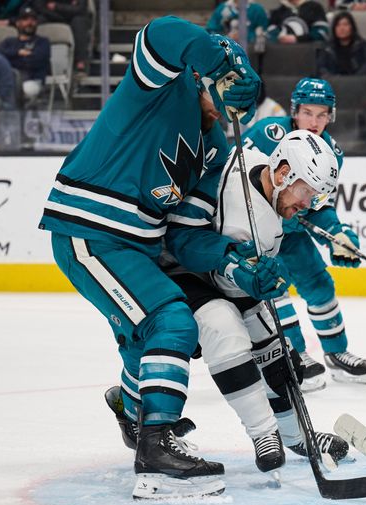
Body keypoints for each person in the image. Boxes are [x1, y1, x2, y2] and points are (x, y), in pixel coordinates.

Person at [37, 16, 263, 499]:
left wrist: (232, 258)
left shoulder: (216, 148)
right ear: (203, 74)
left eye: (237, 90)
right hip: (91, 231)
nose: (229, 101)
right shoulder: (157, 86)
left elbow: (186, 234)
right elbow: (160, 32)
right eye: (225, 84)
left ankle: (134, 412)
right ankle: (156, 449)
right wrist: (215, 55)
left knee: (147, 343)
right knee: (172, 322)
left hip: (137, 246)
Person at [106, 131, 350, 478]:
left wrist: (251, 277)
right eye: (306, 192)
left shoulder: (275, 218)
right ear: (283, 173)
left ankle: (297, 436)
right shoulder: (228, 173)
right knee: (224, 329)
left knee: (274, 352)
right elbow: (181, 238)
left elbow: (240, 284)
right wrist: (235, 264)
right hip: (176, 271)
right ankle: (264, 433)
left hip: (221, 276)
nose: (307, 204)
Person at [242, 77, 366, 391]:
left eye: (322, 114)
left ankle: (336, 352)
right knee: (276, 289)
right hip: (258, 228)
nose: (314, 122)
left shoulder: (331, 153)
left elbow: (317, 205)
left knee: (319, 282)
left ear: (332, 115)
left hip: (293, 229)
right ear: (294, 111)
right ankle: (293, 354)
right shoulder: (266, 133)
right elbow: (238, 171)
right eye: (308, 113)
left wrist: (337, 234)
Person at [0, 6, 50, 107]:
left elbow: (36, 61)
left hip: (32, 81)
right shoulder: (9, 42)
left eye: (33, 20)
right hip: (8, 81)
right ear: (17, 23)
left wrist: (11, 60)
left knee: (18, 90)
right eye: (25, 20)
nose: (29, 23)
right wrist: (18, 53)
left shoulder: (43, 42)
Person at [30, 0, 92, 76]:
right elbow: (40, 7)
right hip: (50, 15)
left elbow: (80, 9)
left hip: (72, 16)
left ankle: (80, 62)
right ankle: (32, 58)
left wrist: (57, 7)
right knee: (37, 20)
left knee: (79, 22)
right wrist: (62, 14)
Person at [316, 11, 366, 77]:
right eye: (338, 25)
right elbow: (322, 69)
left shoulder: (364, 47)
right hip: (334, 84)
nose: (342, 28)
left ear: (352, 27)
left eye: (345, 25)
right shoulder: (326, 49)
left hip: (358, 83)